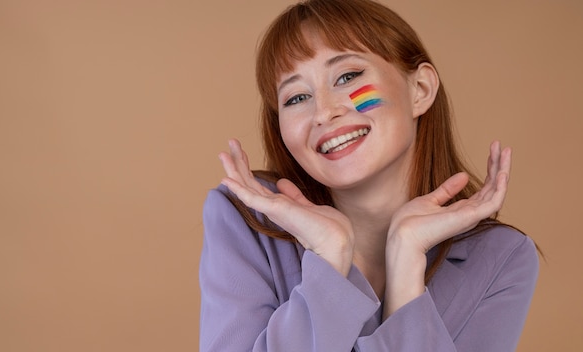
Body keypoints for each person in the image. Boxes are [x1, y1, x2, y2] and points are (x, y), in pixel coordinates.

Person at [199, 0, 539, 350]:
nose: (324, 113)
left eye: (347, 76)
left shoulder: (502, 257)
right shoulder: (246, 221)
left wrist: (406, 268)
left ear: (419, 89)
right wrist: (331, 258)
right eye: (297, 97)